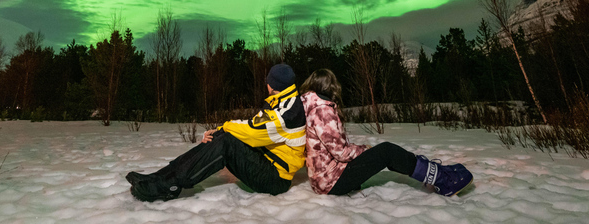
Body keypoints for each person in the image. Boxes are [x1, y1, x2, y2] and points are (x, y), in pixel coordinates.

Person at [126, 63, 306, 202]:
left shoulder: (288, 111)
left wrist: (226, 127)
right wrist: (220, 130)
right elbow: (251, 125)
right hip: (266, 163)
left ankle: (167, 186)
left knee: (227, 142)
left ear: (272, 84)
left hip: (275, 178)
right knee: (223, 137)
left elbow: (252, 132)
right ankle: (160, 177)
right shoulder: (280, 101)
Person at [299, 68, 473, 196]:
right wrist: (364, 149)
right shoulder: (322, 111)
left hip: (325, 177)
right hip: (331, 181)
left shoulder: (309, 106)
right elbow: (342, 153)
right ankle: (442, 180)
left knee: (385, 153)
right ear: (331, 87)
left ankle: (434, 172)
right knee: (387, 152)